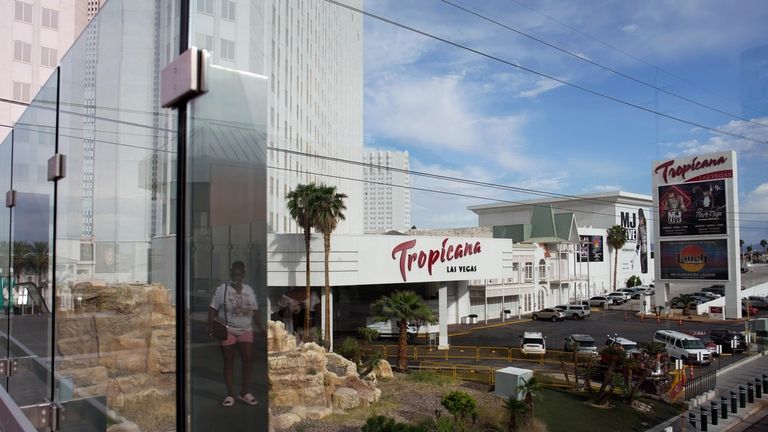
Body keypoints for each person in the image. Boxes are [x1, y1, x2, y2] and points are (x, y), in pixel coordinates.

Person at [208, 261, 263, 407]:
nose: (236, 277)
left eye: (239, 275)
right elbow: (213, 308)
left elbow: (255, 310)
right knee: (229, 362)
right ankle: (230, 394)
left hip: (245, 329)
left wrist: (261, 328)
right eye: (234, 274)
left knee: (248, 359)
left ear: (243, 275)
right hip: (228, 330)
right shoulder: (222, 289)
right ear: (230, 274)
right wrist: (210, 327)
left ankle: (244, 392)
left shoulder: (248, 290)